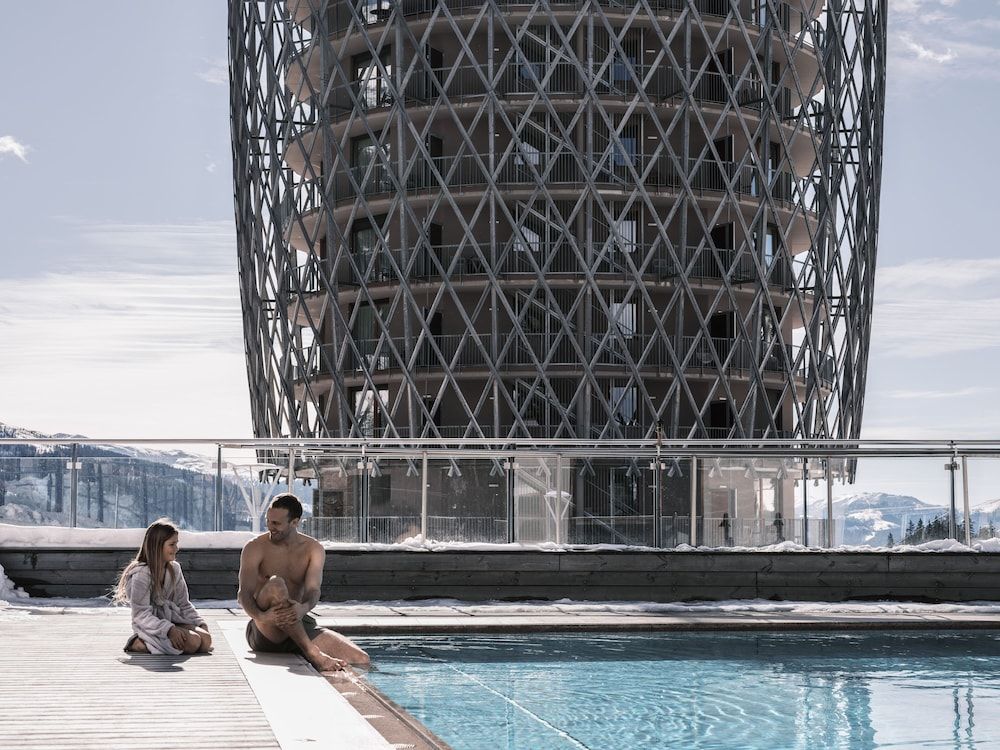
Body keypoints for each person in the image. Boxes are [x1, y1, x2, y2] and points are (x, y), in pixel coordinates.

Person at [238, 494, 370, 673]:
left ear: (295, 522)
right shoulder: (255, 547)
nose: (270, 527)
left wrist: (304, 608)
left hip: (298, 623)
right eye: (268, 521)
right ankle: (312, 652)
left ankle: (306, 645)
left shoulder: (313, 549)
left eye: (276, 523)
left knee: (361, 659)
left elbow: (313, 590)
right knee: (276, 584)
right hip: (266, 629)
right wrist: (262, 617)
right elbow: (244, 594)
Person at [114, 519, 212, 655]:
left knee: (206, 640)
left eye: (176, 543)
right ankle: (139, 643)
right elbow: (141, 615)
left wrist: (200, 623)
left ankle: (157, 642)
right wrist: (168, 630)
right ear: (157, 546)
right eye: (172, 544)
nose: (176, 549)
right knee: (193, 642)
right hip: (151, 626)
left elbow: (183, 604)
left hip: (172, 620)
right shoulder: (141, 574)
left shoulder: (174, 569)